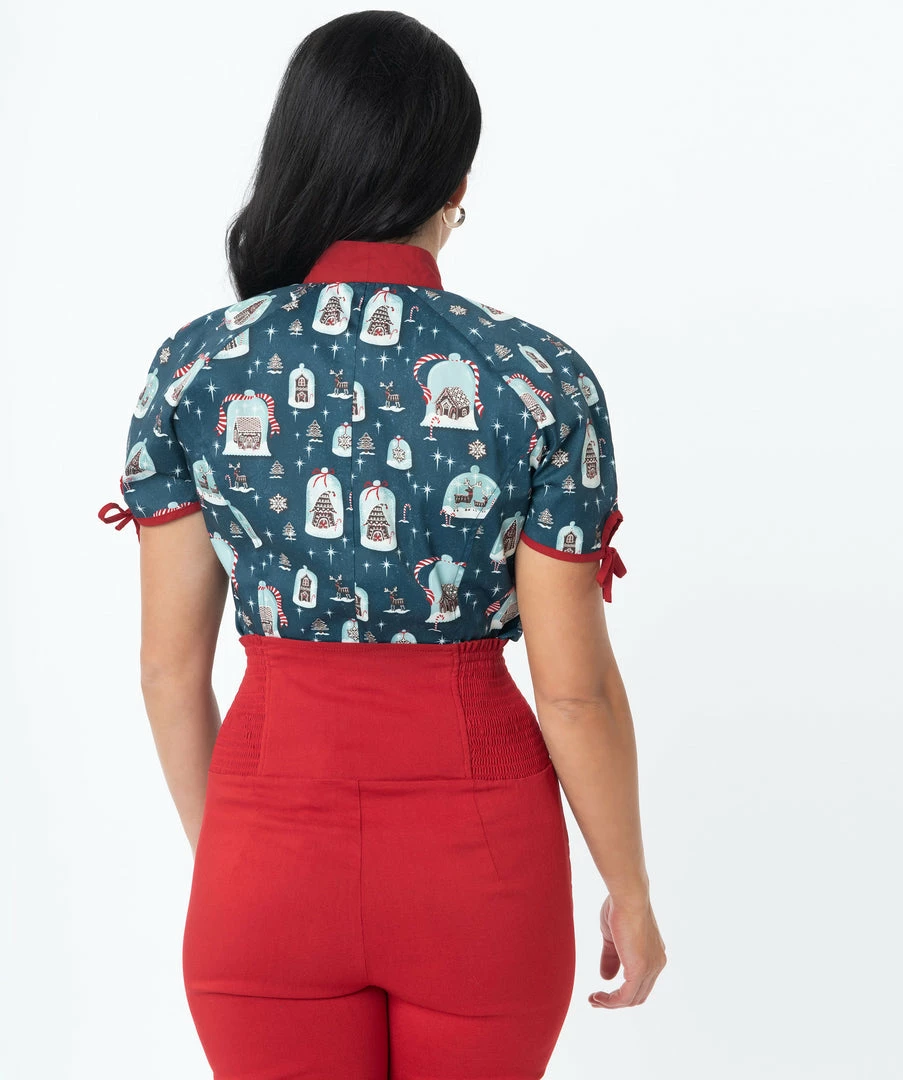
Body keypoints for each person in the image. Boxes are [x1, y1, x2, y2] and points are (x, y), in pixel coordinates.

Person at [97, 10, 666, 1078]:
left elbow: (169, 673)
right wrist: (627, 889)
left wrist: (240, 862)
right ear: (454, 185)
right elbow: (573, 690)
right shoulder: (537, 379)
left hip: (264, 860)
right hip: (480, 872)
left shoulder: (196, 368)